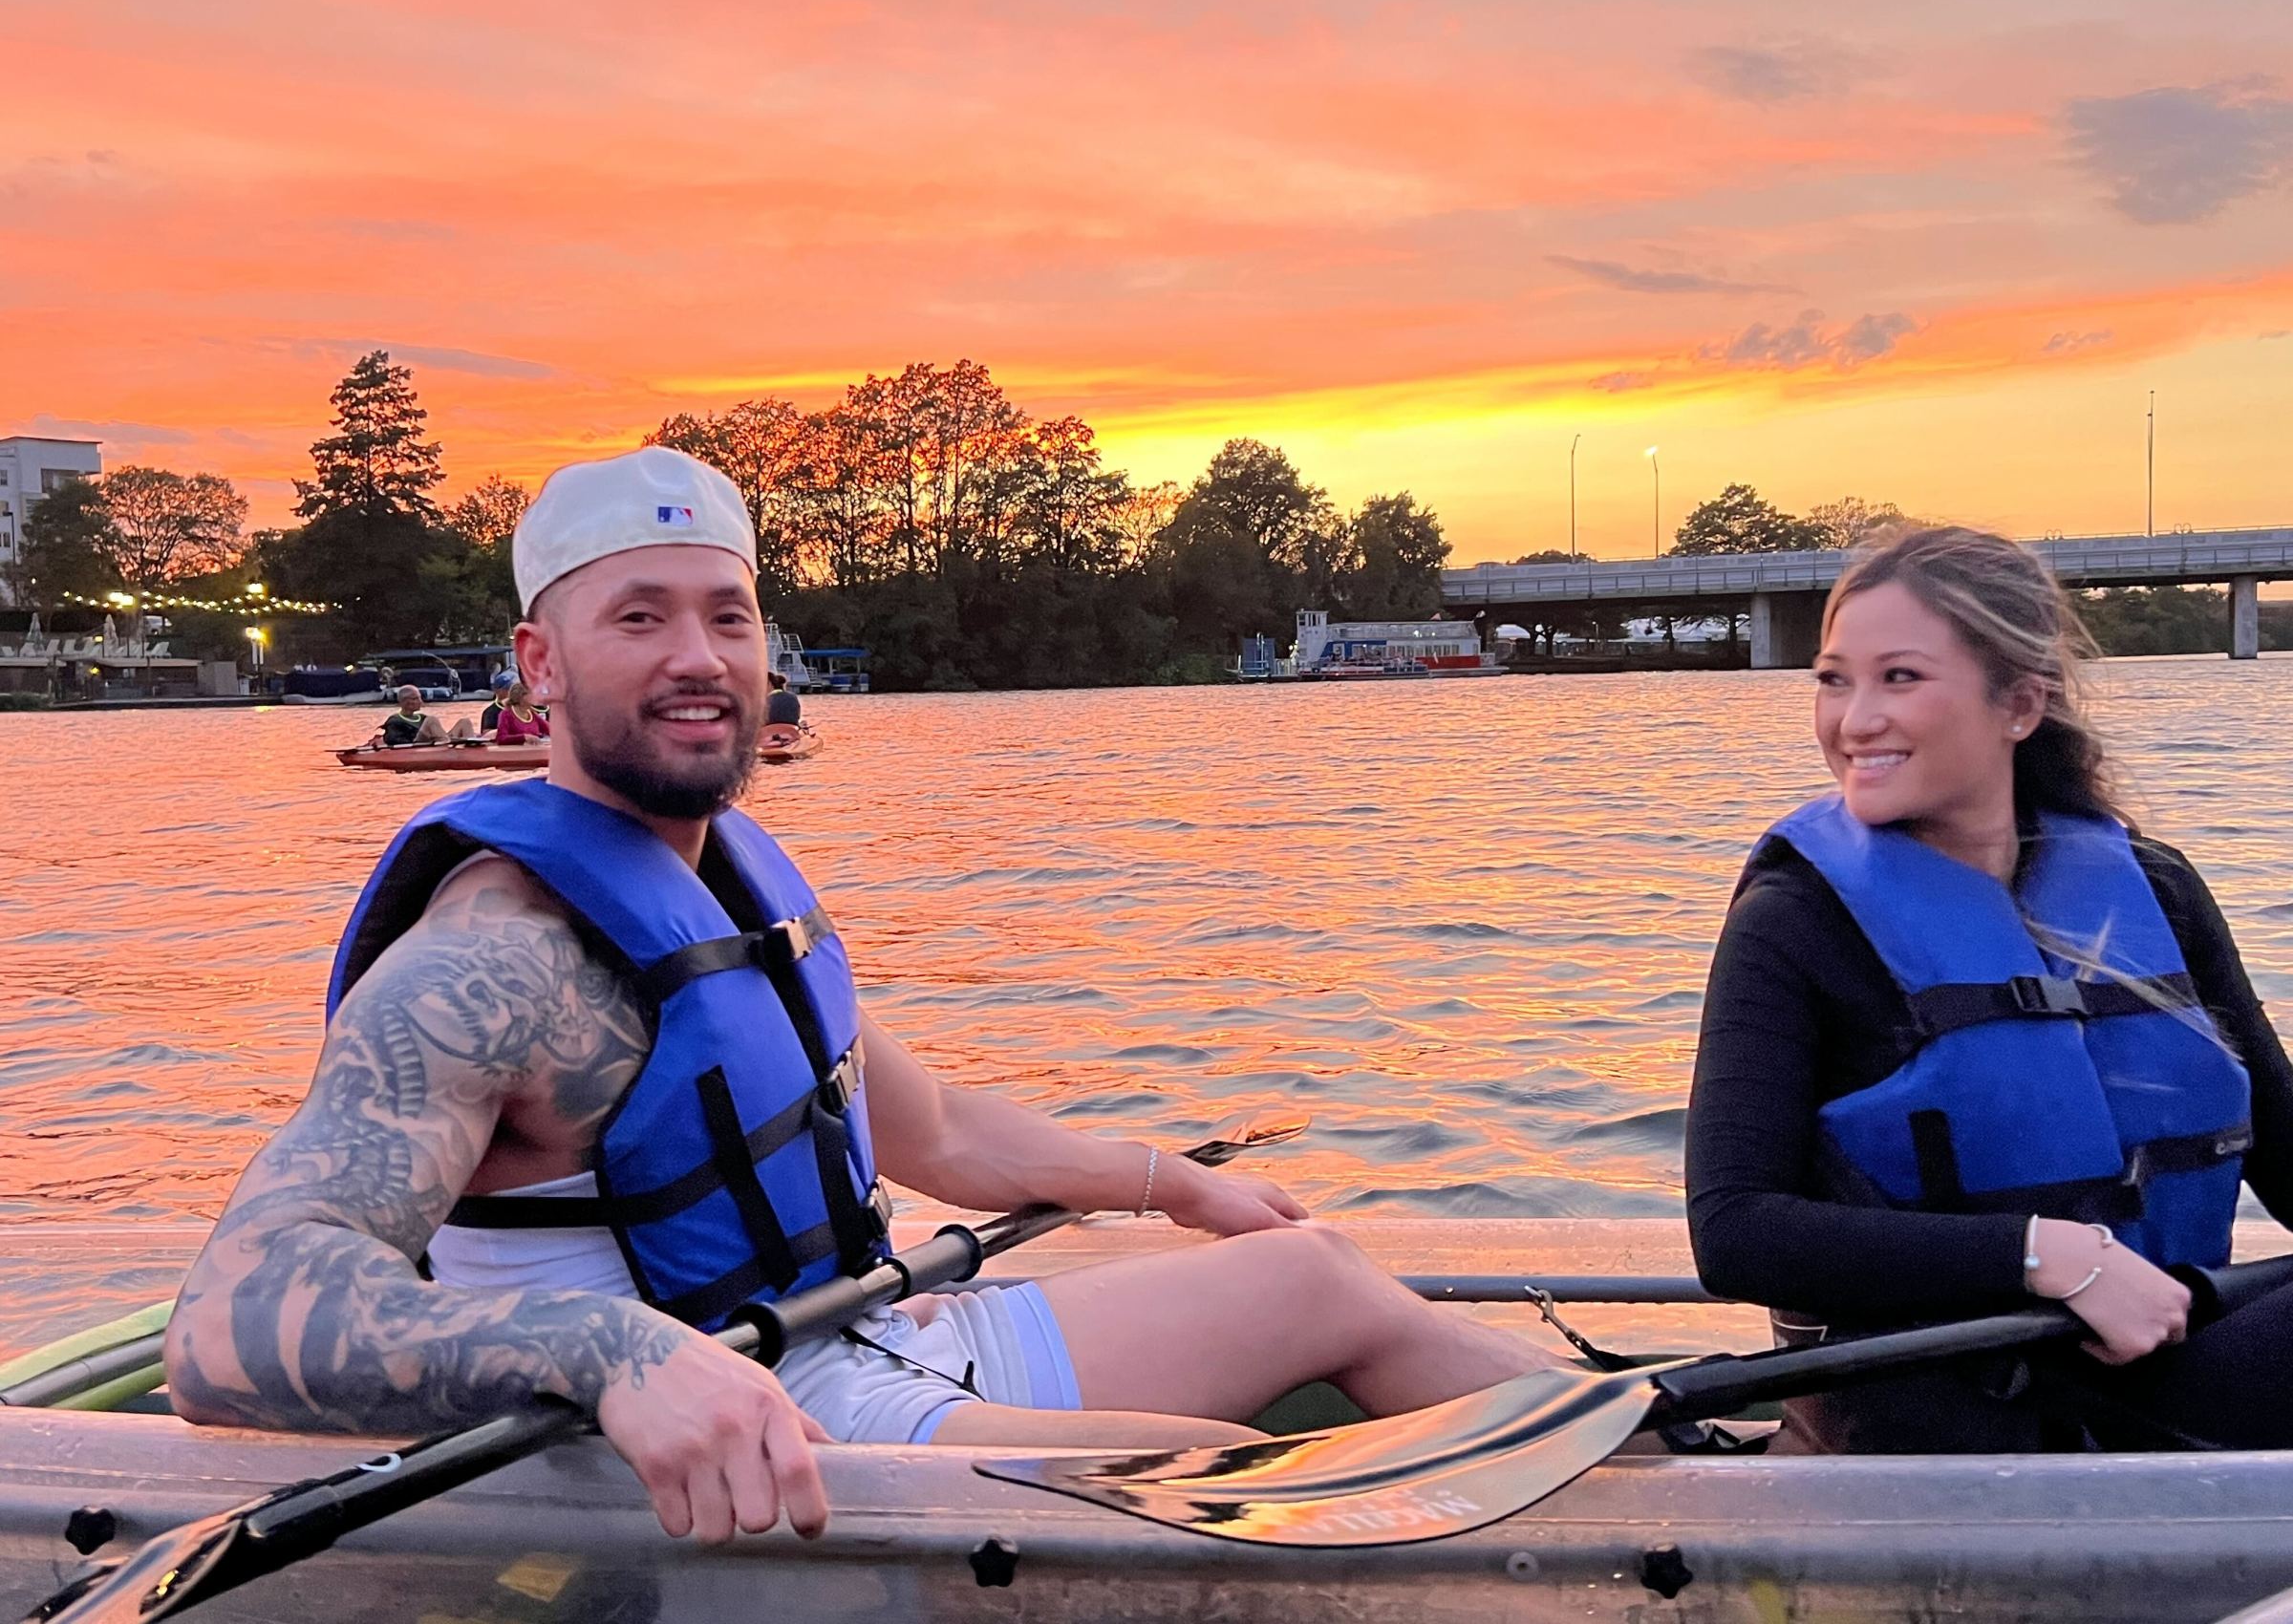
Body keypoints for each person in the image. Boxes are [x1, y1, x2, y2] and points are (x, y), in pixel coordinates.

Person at [164, 445, 1560, 1547]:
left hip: (875, 1336)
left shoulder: (728, 885)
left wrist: (1173, 1183)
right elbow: (231, 1325)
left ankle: (1681, 1459)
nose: (697, 656)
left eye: (726, 616)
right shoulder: (491, 961)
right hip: (736, 1433)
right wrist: (605, 1349)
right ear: (541, 664)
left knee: (1314, 1278)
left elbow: (933, 1129)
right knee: (1227, 1487)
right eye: (639, 618)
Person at [1685, 524, 2293, 1455]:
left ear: (2019, 705)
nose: (1854, 721)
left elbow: (2286, 1156)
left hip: (2162, 1373)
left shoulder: (2157, 889)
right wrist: (2045, 1255)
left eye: (1899, 678)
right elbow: (1734, 1231)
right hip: (1935, 1407)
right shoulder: (1795, 922)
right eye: (1833, 680)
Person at [373, 684, 448, 747]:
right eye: (415, 699)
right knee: (431, 719)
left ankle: (448, 745)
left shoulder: (422, 717)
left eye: (419, 698)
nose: (420, 702)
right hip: (415, 745)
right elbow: (392, 740)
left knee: (457, 725)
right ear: (405, 701)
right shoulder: (395, 720)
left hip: (430, 742)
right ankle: (446, 747)